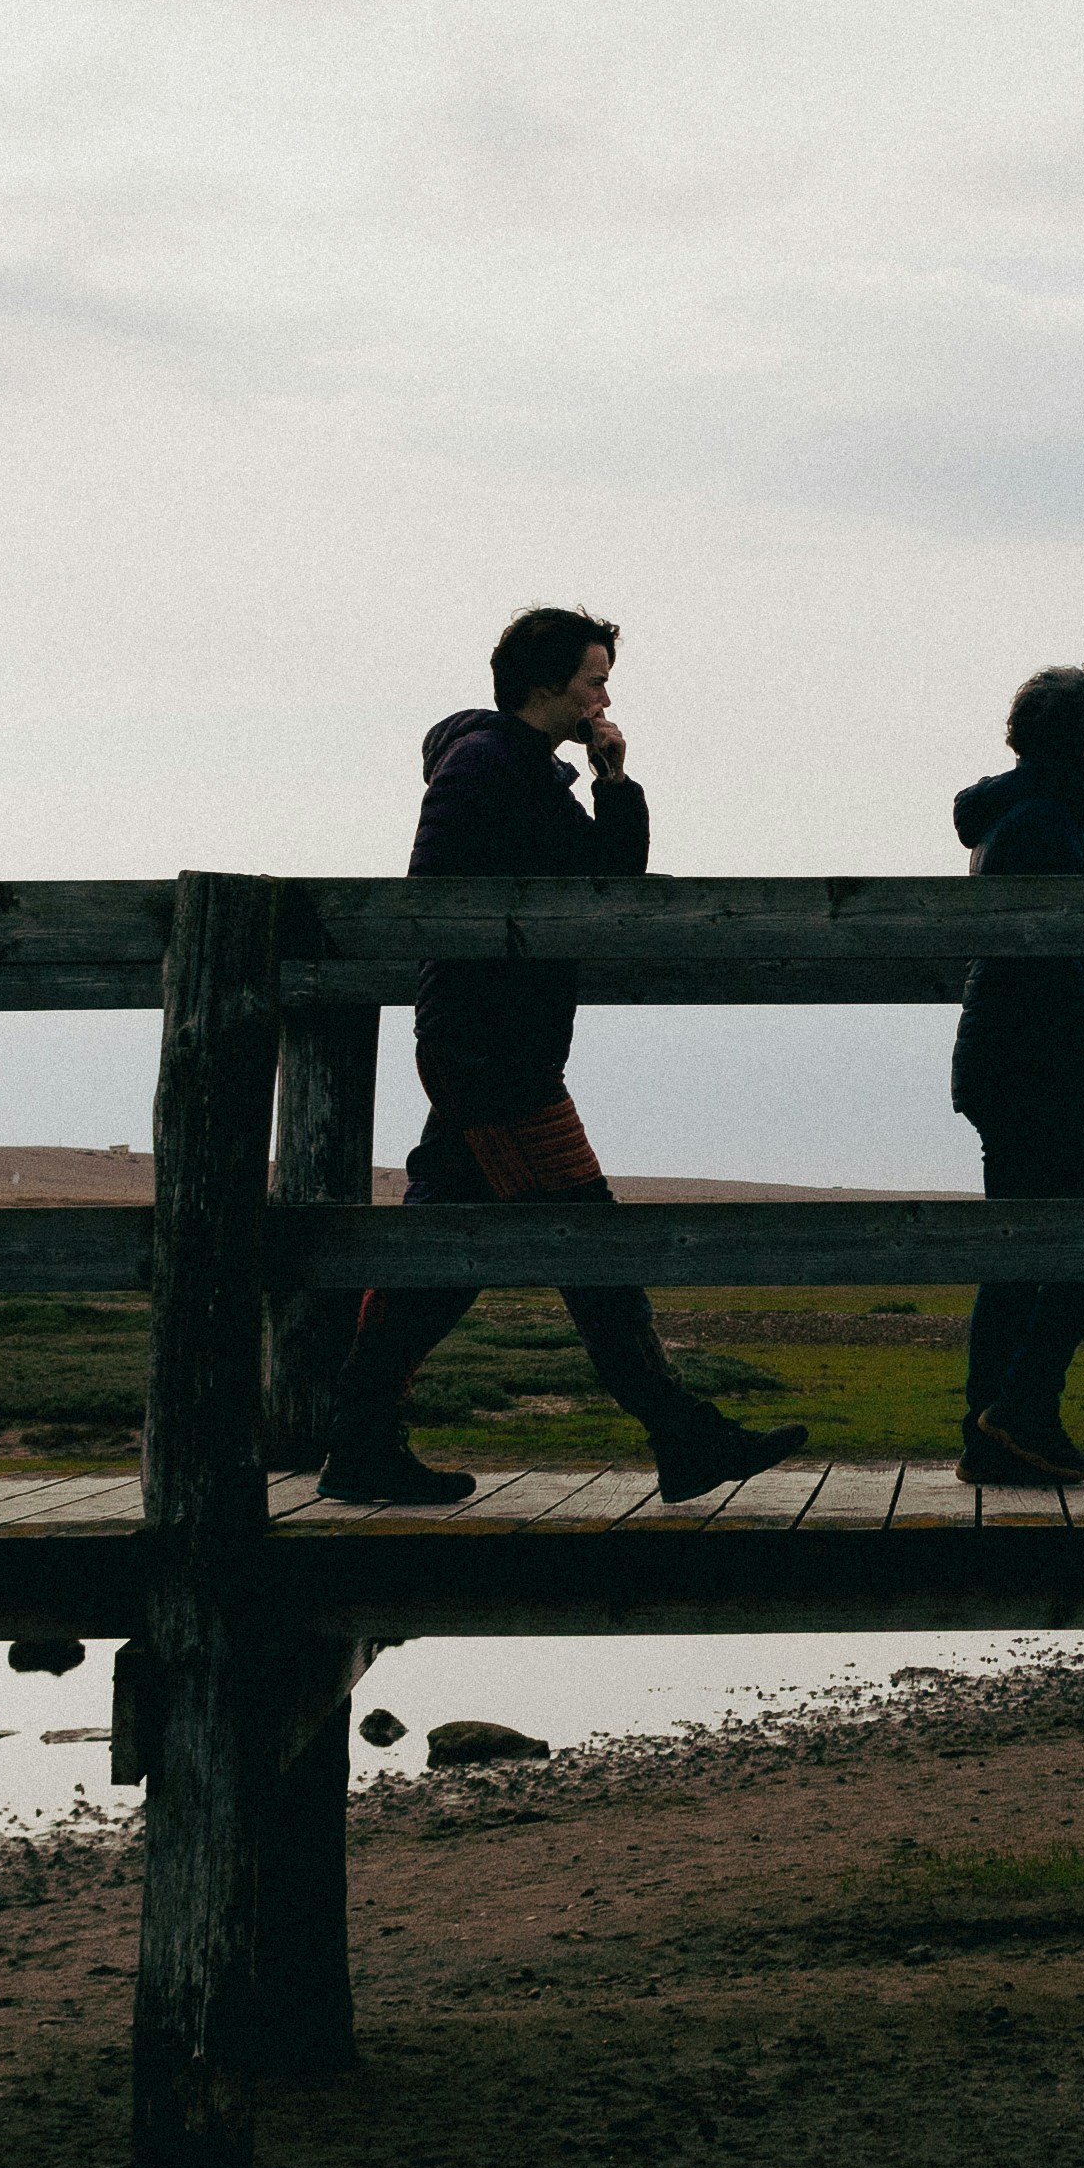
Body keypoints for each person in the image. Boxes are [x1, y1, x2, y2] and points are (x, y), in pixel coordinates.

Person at [314, 606, 812, 1511]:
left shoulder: (529, 769)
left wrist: (612, 777)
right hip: (492, 1053)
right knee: (593, 1243)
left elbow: (601, 884)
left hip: (492, 1045)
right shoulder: (484, 766)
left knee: (445, 1250)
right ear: (546, 686)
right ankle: (680, 1432)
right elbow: (442, 898)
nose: (606, 694)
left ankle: (358, 1440)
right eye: (593, 679)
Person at [949, 664, 1084, 1489]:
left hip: (998, 1061)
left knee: (1018, 1250)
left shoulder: (1009, 817)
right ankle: (1022, 1410)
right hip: (1038, 1069)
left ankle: (993, 1433)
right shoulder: (1049, 827)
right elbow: (1061, 979)